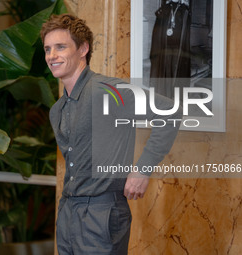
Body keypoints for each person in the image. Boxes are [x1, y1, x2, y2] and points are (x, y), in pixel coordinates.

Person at [40, 14, 182, 255]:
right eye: (47, 49)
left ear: (83, 49)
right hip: (67, 213)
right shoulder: (57, 111)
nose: (51, 56)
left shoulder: (107, 91)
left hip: (101, 213)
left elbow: (171, 111)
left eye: (60, 47)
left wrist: (142, 168)